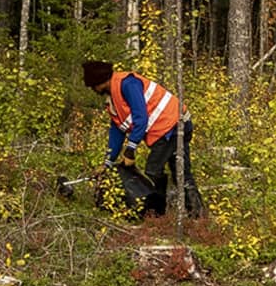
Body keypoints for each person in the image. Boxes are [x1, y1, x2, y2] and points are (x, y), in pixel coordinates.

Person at [81, 60, 205, 218]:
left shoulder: (128, 84)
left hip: (173, 126)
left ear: (100, 82)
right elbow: (117, 134)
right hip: (168, 128)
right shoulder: (113, 100)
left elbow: (141, 117)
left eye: (93, 86)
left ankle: (157, 214)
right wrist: (107, 163)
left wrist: (130, 150)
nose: (93, 90)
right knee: (180, 172)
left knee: (153, 171)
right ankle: (197, 214)